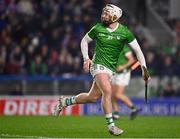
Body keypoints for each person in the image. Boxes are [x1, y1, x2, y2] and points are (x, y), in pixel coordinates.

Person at [53, 4, 150, 136]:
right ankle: (111, 126)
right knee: (108, 90)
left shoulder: (125, 32)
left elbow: (138, 51)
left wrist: (144, 69)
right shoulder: (98, 28)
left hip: (110, 69)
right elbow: (84, 41)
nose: (103, 15)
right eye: (103, 13)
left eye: (107, 13)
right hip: (97, 65)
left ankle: (64, 102)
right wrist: (86, 59)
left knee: (91, 97)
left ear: (115, 16)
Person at [111, 45, 140, 120]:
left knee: (118, 94)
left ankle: (134, 109)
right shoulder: (112, 46)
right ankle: (116, 113)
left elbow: (132, 60)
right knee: (112, 95)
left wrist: (122, 67)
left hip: (123, 73)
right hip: (115, 73)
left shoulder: (124, 47)